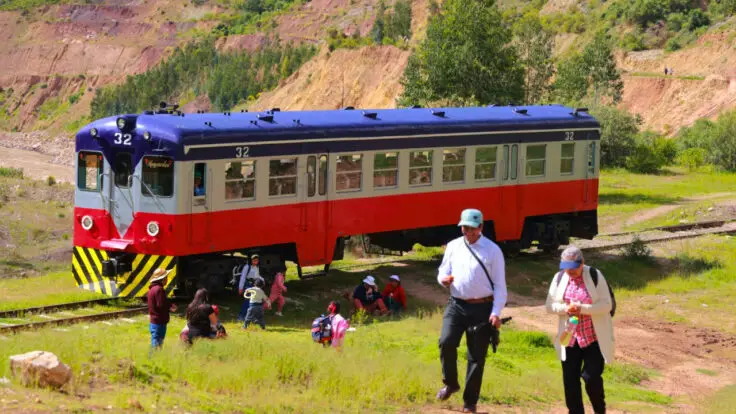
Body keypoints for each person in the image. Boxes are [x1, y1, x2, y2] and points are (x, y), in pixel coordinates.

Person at [436, 208, 508, 414]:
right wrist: (443, 279)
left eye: (470, 229)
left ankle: (470, 403)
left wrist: (495, 312)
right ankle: (451, 382)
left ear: (480, 227)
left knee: (476, 357)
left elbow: (500, 286)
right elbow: (443, 270)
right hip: (456, 304)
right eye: (464, 228)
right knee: (446, 342)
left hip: (482, 307)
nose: (467, 232)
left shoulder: (493, 251)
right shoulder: (453, 246)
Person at [546, 246, 614, 414]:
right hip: (569, 338)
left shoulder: (594, 275)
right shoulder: (559, 277)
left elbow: (607, 305)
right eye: (567, 269)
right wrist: (566, 308)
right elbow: (549, 306)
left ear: (582, 263)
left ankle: (600, 410)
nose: (571, 272)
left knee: (590, 378)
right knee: (570, 382)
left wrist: (581, 308)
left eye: (574, 268)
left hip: (593, 338)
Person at [146, 268, 176, 349]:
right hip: (159, 321)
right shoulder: (159, 289)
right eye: (166, 278)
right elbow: (161, 305)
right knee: (157, 344)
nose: (167, 280)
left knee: (156, 342)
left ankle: (155, 359)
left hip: (154, 321)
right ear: (162, 279)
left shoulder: (152, 289)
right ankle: (153, 359)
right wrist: (170, 307)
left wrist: (168, 304)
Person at [238, 255, 264, 321]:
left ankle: (250, 316)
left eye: (257, 260)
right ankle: (241, 316)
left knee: (253, 301)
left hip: (254, 285)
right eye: (254, 260)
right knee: (247, 301)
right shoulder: (247, 267)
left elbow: (257, 275)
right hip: (248, 284)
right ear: (251, 260)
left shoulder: (256, 267)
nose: (255, 262)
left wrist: (262, 280)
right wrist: (240, 288)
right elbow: (243, 277)